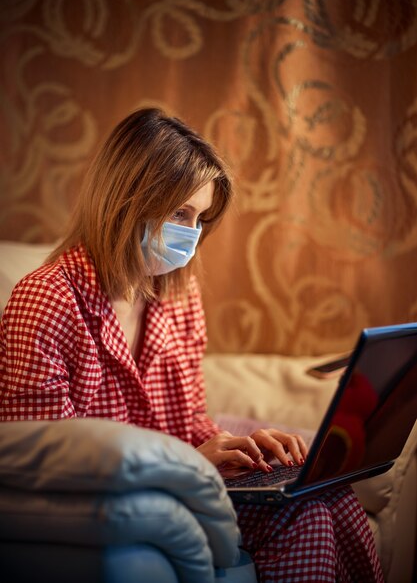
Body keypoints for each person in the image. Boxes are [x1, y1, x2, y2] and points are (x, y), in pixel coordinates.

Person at [0, 108, 383, 582]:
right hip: (131, 497)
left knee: (326, 495)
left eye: (200, 218)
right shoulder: (48, 298)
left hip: (185, 481)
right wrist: (188, 467)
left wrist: (234, 451)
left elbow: (188, 422)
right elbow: (42, 465)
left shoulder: (178, 295)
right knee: (302, 519)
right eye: (180, 213)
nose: (192, 234)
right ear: (127, 198)